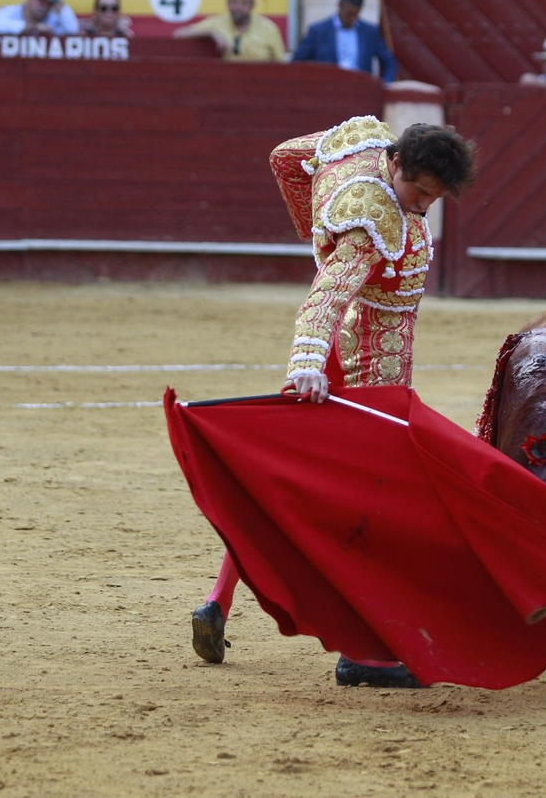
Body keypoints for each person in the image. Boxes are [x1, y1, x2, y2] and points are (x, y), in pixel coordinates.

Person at [189, 117, 478, 686]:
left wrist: (316, 234)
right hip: (368, 367)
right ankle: (363, 653)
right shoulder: (372, 222)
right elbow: (325, 297)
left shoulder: (361, 148)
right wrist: (304, 360)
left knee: (287, 487)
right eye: (419, 192)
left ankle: (218, 601)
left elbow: (285, 157)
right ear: (396, 164)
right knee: (370, 500)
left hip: (338, 353)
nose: (422, 207)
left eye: (434, 198)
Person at [293, 0, 397, 82]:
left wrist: (385, 85)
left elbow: (390, 63)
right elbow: (297, 63)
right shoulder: (318, 32)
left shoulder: (370, 33)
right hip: (327, 92)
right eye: (349, 14)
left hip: (361, 92)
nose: (352, 19)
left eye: (355, 15)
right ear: (340, 5)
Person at [172, 0, 282, 60]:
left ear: (252, 5)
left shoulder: (268, 28)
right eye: (234, 2)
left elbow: (281, 64)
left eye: (243, 3)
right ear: (228, 3)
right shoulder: (217, 23)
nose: (238, 7)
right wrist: (211, 32)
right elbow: (178, 34)